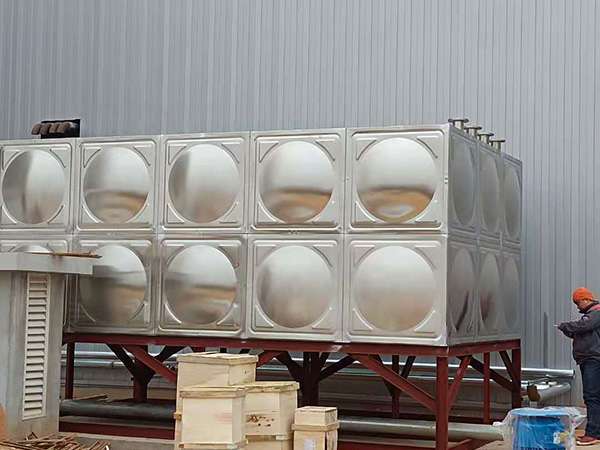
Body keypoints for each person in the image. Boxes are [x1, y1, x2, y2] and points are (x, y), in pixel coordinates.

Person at [558, 287, 600, 446]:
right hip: (589, 360)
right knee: (594, 396)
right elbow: (579, 330)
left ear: (586, 299)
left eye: (578, 302)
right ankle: (595, 431)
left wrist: (565, 326)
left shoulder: (596, 313)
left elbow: (583, 326)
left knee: (592, 396)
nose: (577, 306)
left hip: (593, 360)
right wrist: (568, 330)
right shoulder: (590, 316)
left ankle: (593, 433)